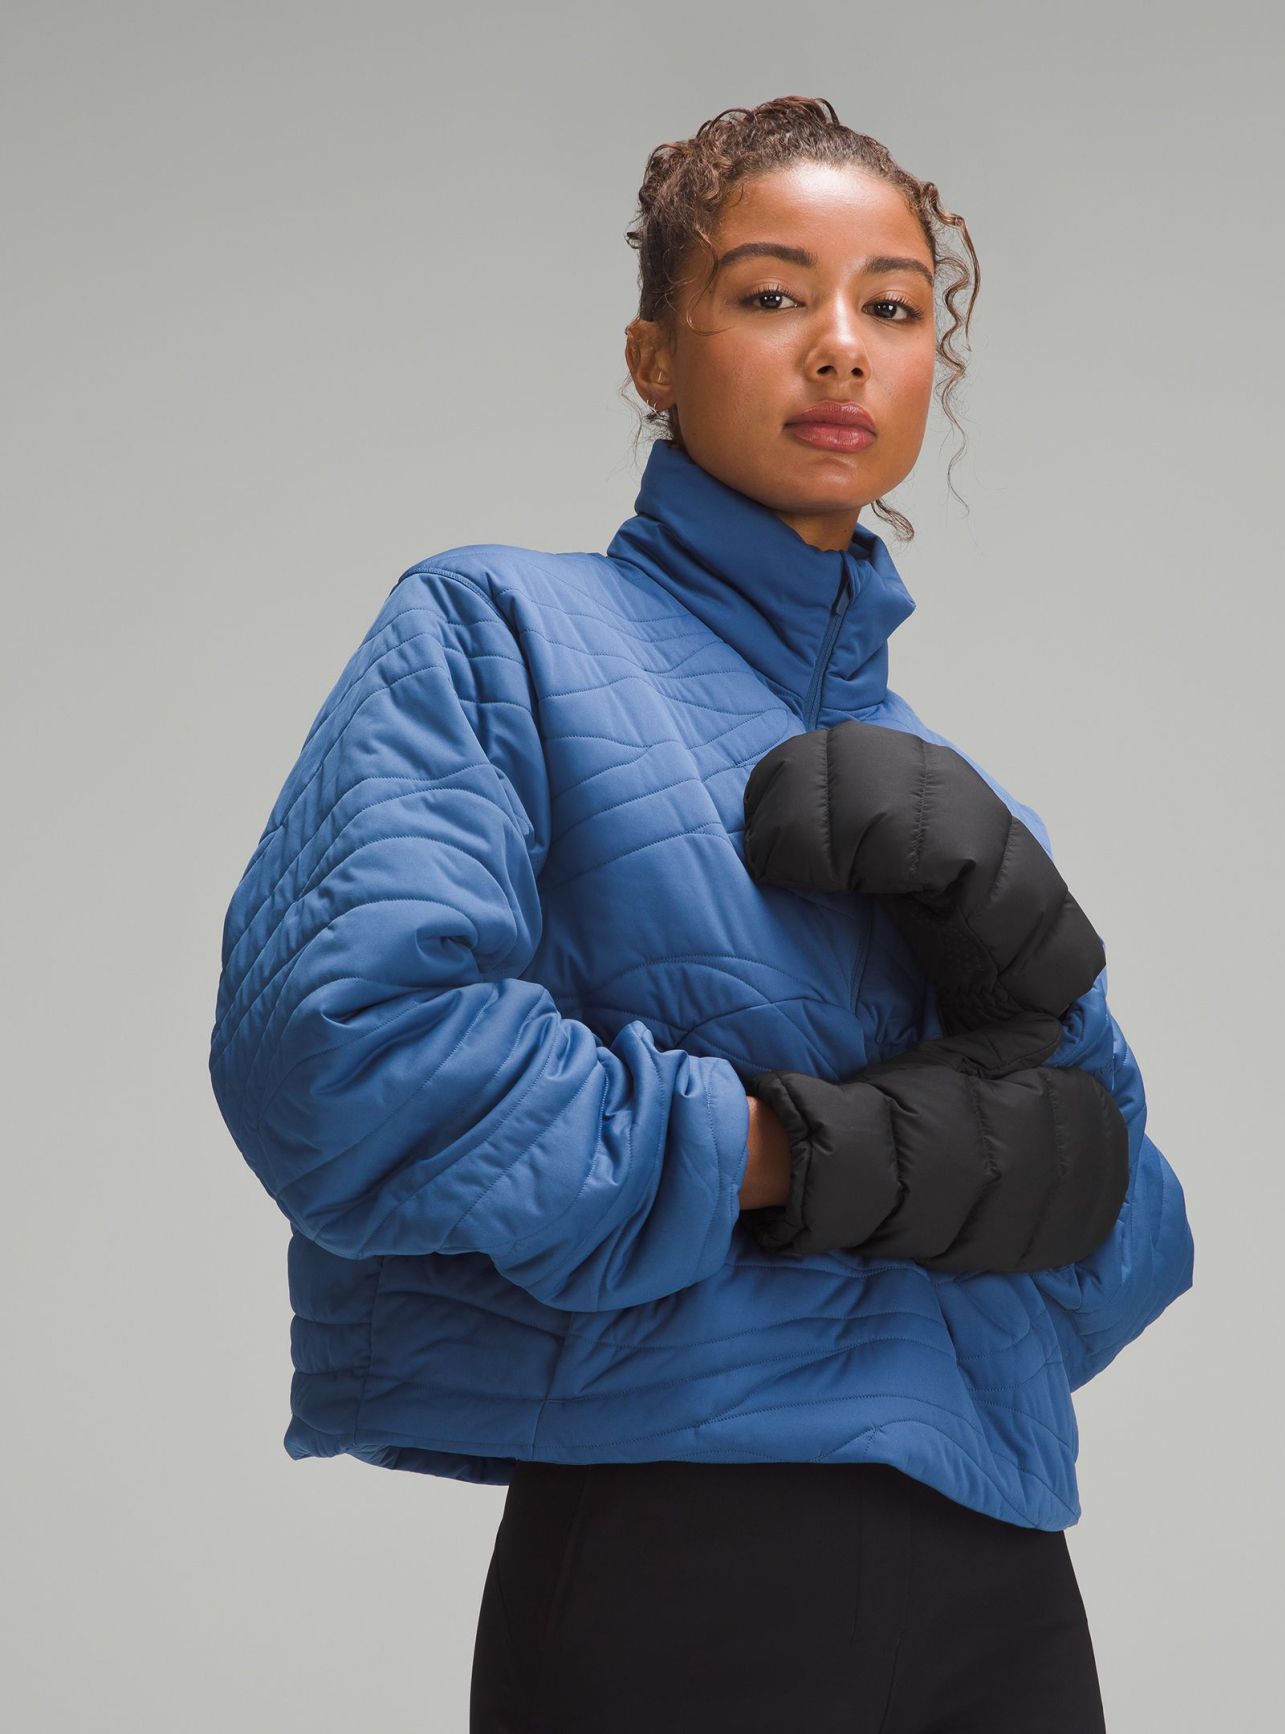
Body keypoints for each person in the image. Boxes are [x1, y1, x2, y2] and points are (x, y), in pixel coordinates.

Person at [208, 95, 1194, 1733]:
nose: (839, 346)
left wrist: (1034, 981)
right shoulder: (497, 631)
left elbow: (1122, 1249)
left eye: (891, 305)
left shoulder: (953, 801)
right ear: (653, 354)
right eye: (770, 294)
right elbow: (345, 1054)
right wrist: (792, 1153)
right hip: (680, 1537)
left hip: (1001, 1567)